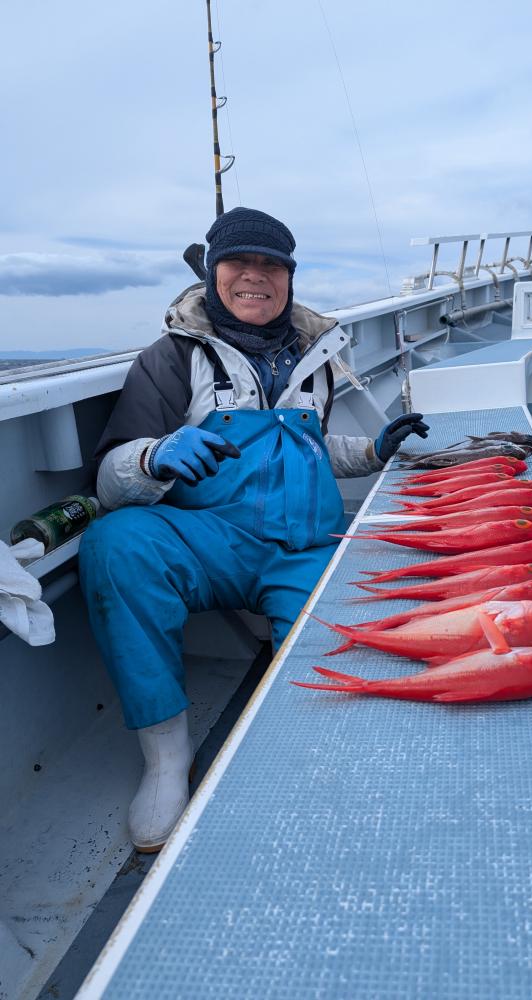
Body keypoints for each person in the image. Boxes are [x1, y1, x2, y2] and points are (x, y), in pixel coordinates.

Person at [78, 208, 429, 852]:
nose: (255, 277)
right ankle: (166, 759)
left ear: (290, 278)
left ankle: (303, 754)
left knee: (347, 661)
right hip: (208, 540)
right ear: (213, 273)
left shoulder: (316, 356)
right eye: (239, 262)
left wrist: (373, 451)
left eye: (272, 266)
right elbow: (108, 481)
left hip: (305, 547)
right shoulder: (171, 358)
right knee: (115, 543)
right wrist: (153, 456)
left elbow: (312, 450)